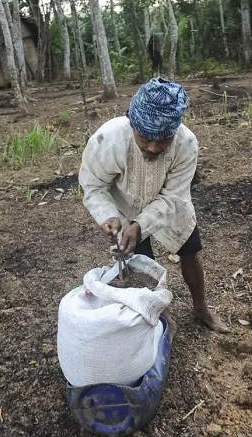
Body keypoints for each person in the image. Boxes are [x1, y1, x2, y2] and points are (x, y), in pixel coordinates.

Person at [78, 78, 230, 336]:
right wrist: (108, 216)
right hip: (125, 205)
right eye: (145, 138)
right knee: (142, 263)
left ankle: (201, 307)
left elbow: (173, 195)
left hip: (170, 204)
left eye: (163, 141)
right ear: (132, 124)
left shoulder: (186, 144)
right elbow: (93, 186)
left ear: (175, 131)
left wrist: (142, 225)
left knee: (191, 251)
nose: (153, 147)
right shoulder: (108, 141)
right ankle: (161, 316)